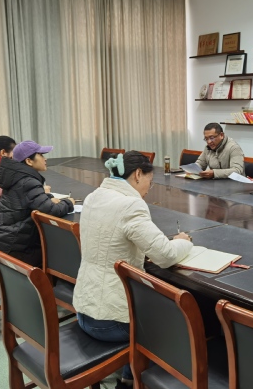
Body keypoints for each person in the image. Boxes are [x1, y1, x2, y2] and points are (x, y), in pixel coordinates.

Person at [73, 151, 193, 388]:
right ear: (138, 174)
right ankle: (132, 381)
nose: (149, 189)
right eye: (150, 181)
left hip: (83, 310)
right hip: (111, 322)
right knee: (177, 319)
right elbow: (166, 256)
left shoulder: (94, 196)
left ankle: (130, 376)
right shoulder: (131, 204)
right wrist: (183, 242)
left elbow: (111, 241)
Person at [0, 140, 75, 267]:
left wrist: (48, 198)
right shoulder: (28, 181)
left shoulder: (16, 177)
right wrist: (68, 202)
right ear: (29, 161)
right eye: (41, 155)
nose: (45, 159)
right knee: (59, 254)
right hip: (8, 250)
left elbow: (27, 199)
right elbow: (52, 210)